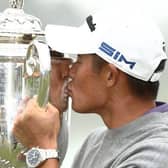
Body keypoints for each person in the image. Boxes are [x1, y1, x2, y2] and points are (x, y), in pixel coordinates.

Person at [13, 3, 168, 168]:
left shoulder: (158, 152)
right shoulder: (94, 142)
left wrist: (44, 148)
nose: (70, 71)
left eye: (79, 60)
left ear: (110, 76)